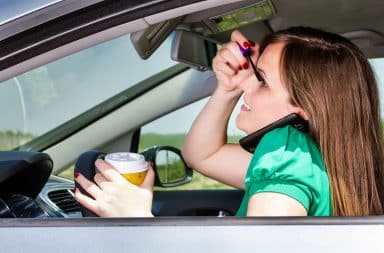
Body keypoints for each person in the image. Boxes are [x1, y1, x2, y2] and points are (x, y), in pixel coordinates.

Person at [74, 26, 384, 217]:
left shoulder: (287, 151)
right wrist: (228, 89)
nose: (249, 84)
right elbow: (202, 156)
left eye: (261, 80)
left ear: (304, 110)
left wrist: (138, 222)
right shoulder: (315, 160)